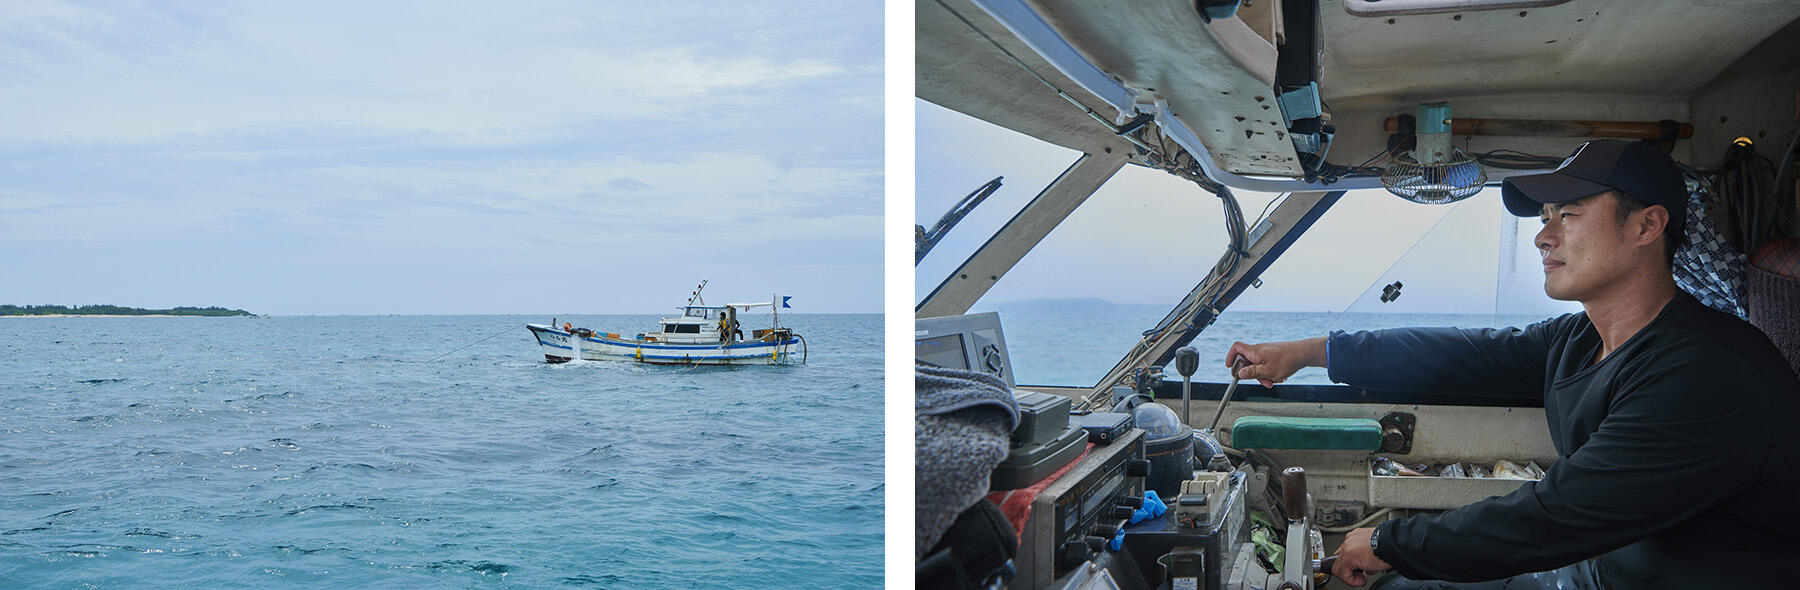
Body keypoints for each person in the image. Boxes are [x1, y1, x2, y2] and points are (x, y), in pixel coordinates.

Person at [1226, 140, 1800, 588]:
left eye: (1568, 215)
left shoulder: (1705, 373)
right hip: (1606, 570)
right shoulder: (1582, 338)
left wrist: (1386, 544)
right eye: (1544, 217)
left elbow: (1560, 516)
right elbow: (1460, 352)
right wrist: (1308, 352)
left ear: (1647, 226)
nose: (1542, 238)